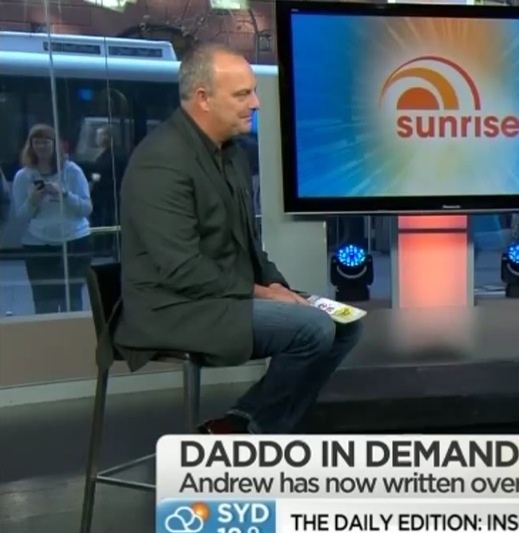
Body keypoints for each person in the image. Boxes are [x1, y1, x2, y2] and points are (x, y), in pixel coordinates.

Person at [115, 43, 363, 434]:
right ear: (203, 99)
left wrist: (278, 286)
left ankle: (245, 424)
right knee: (312, 329)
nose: (256, 104)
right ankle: (252, 431)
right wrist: (263, 294)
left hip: (223, 294)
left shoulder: (231, 154)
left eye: (253, 92)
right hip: (175, 307)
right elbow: (182, 269)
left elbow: (248, 244)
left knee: (345, 323)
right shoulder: (161, 162)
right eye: (242, 94)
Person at [10, 124, 93, 313]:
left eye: (46, 142)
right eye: (37, 142)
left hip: (74, 242)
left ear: (55, 145)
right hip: (38, 245)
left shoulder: (73, 171)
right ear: (31, 146)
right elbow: (21, 217)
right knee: (44, 302)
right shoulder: (22, 177)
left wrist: (64, 195)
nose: (42, 146)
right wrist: (33, 201)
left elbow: (86, 208)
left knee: (71, 300)